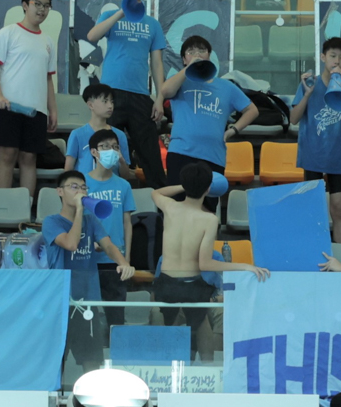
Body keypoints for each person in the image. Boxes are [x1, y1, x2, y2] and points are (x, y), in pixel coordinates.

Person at [152, 164, 268, 356]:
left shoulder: (169, 207)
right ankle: (208, 366)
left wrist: (185, 186)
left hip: (166, 283)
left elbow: (156, 192)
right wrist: (244, 266)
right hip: (191, 285)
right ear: (208, 189)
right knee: (201, 324)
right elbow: (205, 264)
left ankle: (167, 368)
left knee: (170, 327)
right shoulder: (209, 219)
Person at [45, 169, 136, 369]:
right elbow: (70, 244)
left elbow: (108, 246)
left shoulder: (91, 220)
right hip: (61, 301)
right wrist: (79, 210)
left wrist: (123, 263)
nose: (80, 191)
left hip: (87, 301)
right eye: (74, 187)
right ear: (60, 191)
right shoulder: (51, 222)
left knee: (92, 361)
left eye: (83, 187)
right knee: (56, 363)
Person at [87, 0, 168, 188]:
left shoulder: (152, 24)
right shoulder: (110, 15)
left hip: (140, 94)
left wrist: (159, 97)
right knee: (105, 148)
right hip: (111, 93)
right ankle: (103, 191)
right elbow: (92, 36)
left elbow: (157, 63)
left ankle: (158, 200)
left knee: (150, 153)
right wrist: (122, 12)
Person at [0, 0, 57, 192]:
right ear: (25, 5)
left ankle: (26, 204)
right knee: (7, 155)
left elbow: (48, 79)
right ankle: (4, 204)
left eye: (46, 6)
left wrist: (52, 110)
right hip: (8, 106)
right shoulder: (8, 33)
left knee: (29, 157)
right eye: (37, 4)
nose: (42, 9)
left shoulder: (48, 41)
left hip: (36, 110)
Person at [160, 34, 256, 184]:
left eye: (202, 51)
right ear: (184, 59)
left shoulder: (226, 86)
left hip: (213, 156)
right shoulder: (179, 82)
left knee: (209, 198)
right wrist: (188, 68)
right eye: (191, 52)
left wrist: (232, 130)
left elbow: (252, 110)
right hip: (181, 152)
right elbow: (165, 91)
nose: (197, 55)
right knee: (178, 197)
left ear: (209, 56)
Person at [292, 36, 341, 244]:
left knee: (338, 208)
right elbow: (293, 119)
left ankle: (340, 255)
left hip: (338, 156)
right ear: (323, 57)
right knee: (313, 208)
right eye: (332, 56)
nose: (336, 61)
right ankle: (314, 251)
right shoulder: (309, 83)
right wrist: (307, 94)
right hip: (313, 154)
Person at [84, 128, 135, 326]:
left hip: (115, 261)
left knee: (116, 317)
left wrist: (126, 258)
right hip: (88, 260)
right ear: (93, 151)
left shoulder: (124, 186)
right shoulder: (82, 183)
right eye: (105, 146)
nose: (111, 151)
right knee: (88, 318)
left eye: (115, 147)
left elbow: (127, 223)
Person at [64, 82, 133, 177]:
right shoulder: (77, 134)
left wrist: (121, 161)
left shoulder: (120, 135)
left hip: (111, 184)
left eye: (112, 102)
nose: (110, 106)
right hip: (85, 185)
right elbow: (68, 170)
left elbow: (125, 175)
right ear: (90, 105)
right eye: (105, 101)